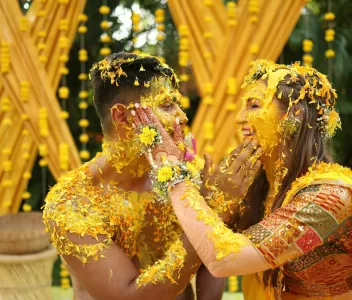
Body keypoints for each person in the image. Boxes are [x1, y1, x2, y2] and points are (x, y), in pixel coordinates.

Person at [130, 60, 352, 299]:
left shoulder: (327, 198)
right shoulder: (257, 186)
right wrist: (214, 202)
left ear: (294, 115)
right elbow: (202, 253)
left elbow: (224, 258)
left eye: (254, 105)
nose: (239, 119)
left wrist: (173, 171)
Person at [42, 52, 239, 300]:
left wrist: (217, 212)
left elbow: (213, 264)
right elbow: (127, 295)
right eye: (167, 105)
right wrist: (211, 218)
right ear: (122, 117)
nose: (182, 116)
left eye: (178, 104)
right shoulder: (74, 201)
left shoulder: (189, 175)